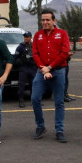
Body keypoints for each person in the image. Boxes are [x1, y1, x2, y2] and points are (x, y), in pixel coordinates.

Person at [31, 10, 71, 142]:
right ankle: (40, 126)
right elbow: (35, 53)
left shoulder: (62, 34)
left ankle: (59, 130)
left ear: (54, 20)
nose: (45, 22)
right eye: (43, 20)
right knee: (35, 98)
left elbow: (65, 53)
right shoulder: (37, 35)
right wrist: (43, 68)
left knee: (59, 101)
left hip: (58, 71)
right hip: (42, 71)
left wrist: (50, 67)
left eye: (48, 20)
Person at [13, 31, 37, 108]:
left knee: (34, 85)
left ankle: (34, 101)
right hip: (24, 68)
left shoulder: (35, 46)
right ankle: (21, 101)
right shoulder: (20, 47)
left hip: (33, 68)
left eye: (27, 37)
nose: (25, 38)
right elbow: (15, 59)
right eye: (24, 37)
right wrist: (20, 61)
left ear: (31, 37)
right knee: (21, 85)